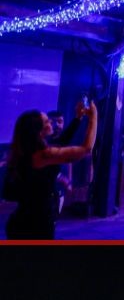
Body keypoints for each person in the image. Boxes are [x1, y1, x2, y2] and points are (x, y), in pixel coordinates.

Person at [4, 102, 96, 239]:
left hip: (22, 220)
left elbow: (62, 141)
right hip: (36, 225)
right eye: (47, 121)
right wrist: (94, 117)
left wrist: (78, 118)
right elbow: (87, 148)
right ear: (39, 130)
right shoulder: (43, 155)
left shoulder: (25, 151)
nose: (51, 123)